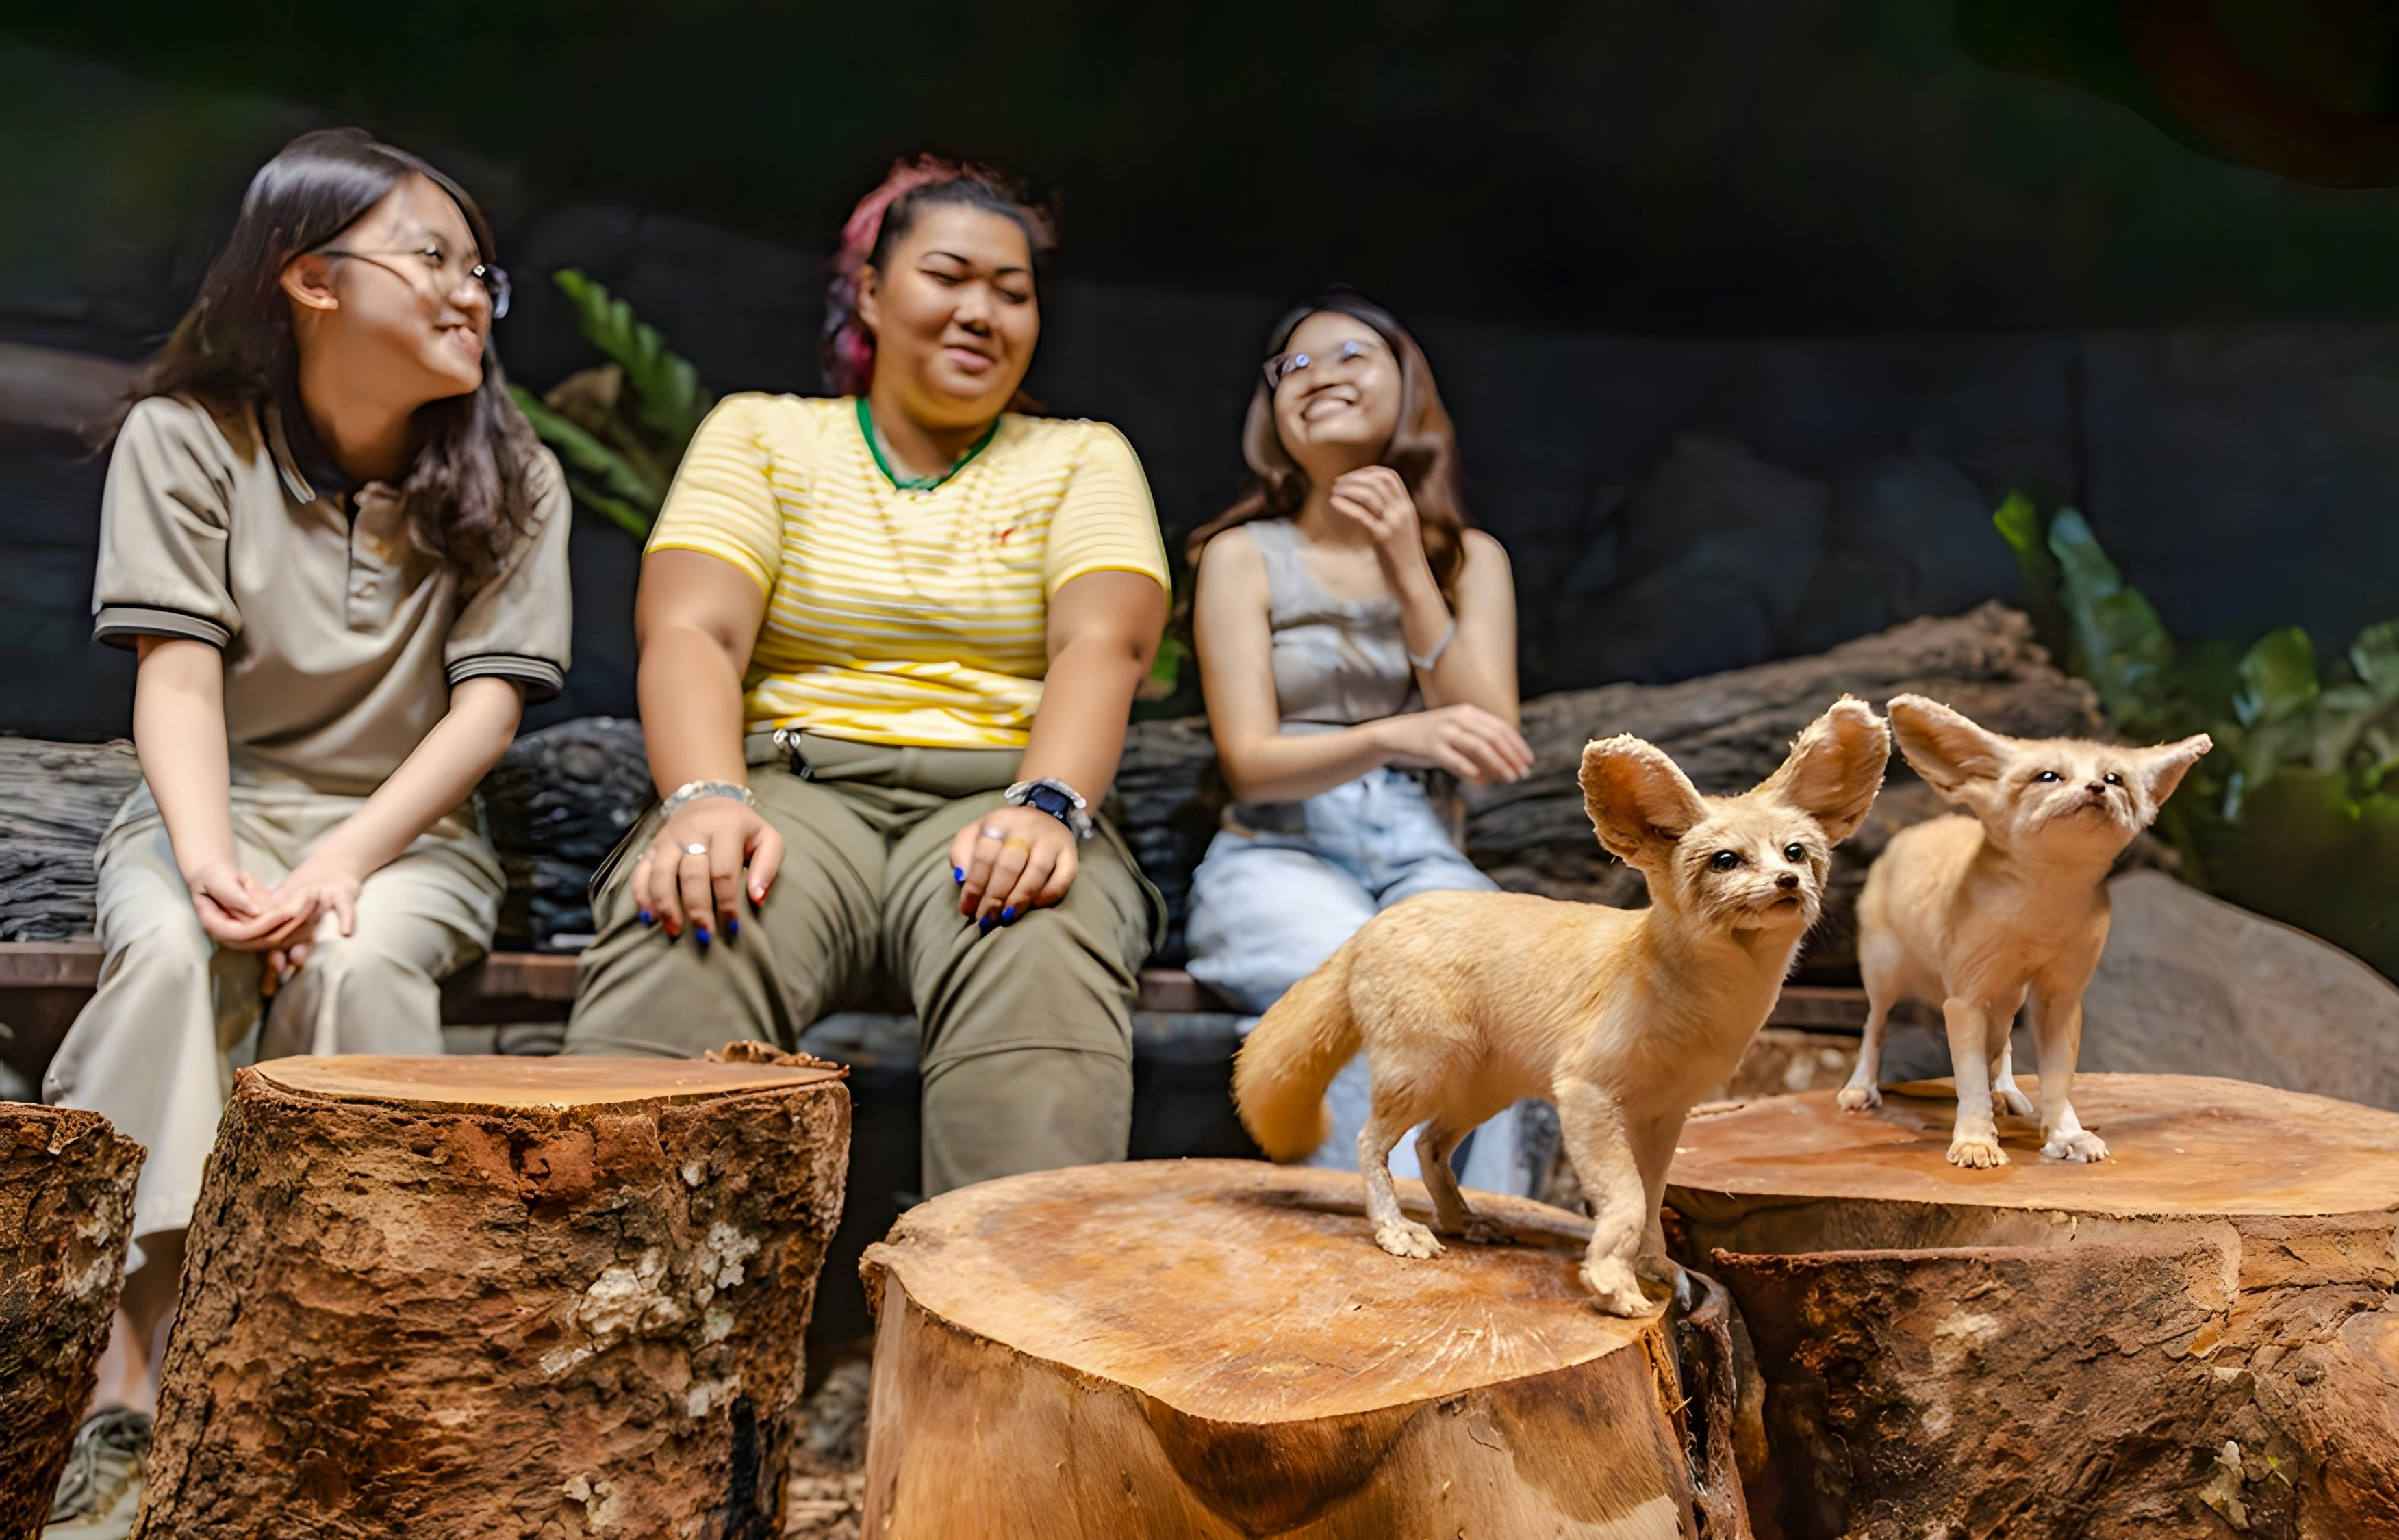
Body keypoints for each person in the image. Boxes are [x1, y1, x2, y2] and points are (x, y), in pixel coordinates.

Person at [42, 127, 570, 1523]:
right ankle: (123, 1392)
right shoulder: (185, 440)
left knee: (355, 960)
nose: (470, 292)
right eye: (433, 258)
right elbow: (177, 680)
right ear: (310, 279)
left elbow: (486, 713)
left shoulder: (513, 475)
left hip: (402, 836)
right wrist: (212, 863)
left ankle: (355, 1365)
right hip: (213, 806)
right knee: (167, 954)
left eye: (481, 272)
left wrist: (340, 864)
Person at [561, 157, 1170, 1199]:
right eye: (949, 275)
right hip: (793, 793)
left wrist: (1047, 805)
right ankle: (593, 1329)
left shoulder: (1080, 457)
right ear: (871, 293)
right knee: (697, 911)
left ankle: (1009, 1333)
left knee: (1045, 937)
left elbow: (1100, 644)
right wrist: (705, 801)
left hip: (998, 797)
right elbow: (692, 628)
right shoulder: (765, 433)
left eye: (1012, 292)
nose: (982, 310)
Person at [1182, 287, 1553, 1197]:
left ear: (1407, 389)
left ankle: (1496, 1250)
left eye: (1351, 356)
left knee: (1511, 993)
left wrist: (1407, 563)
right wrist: (1396, 732)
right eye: (1293, 367)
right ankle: (1363, 1267)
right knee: (1371, 992)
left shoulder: (1473, 559)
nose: (1319, 377)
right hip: (1276, 845)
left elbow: (1489, 734)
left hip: (1416, 840)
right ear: (1272, 410)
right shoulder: (1241, 554)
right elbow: (1250, 761)